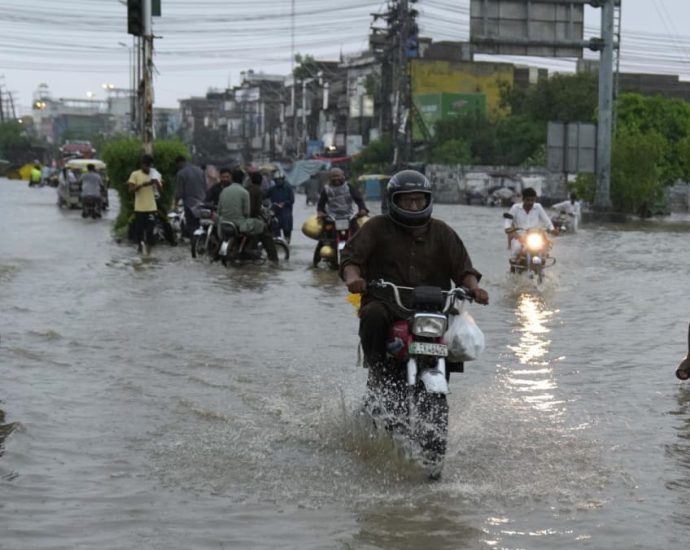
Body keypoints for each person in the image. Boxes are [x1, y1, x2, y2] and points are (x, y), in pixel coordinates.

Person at [340, 170, 489, 378]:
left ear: (427, 200)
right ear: (393, 201)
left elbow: (464, 269)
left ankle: (442, 371)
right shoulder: (376, 227)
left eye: (418, 200)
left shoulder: (442, 231)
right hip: (388, 303)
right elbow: (351, 260)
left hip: (433, 308)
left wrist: (474, 288)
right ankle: (377, 368)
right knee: (372, 313)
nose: (413, 206)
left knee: (453, 333)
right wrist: (353, 279)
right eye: (406, 201)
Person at [217, 168, 276, 261]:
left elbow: (219, 210)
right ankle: (249, 250)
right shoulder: (244, 192)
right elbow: (247, 213)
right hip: (238, 224)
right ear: (243, 179)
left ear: (232, 178)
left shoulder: (224, 191)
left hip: (224, 223)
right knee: (261, 226)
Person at [504, 187, 556, 260]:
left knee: (545, 248)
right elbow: (508, 222)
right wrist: (508, 228)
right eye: (528, 200)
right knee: (517, 248)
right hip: (520, 236)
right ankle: (514, 265)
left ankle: (541, 265)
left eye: (532, 200)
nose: (530, 203)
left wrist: (552, 229)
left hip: (535, 235)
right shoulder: (515, 208)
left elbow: (547, 220)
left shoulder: (538, 207)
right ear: (523, 199)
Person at [316, 167, 368, 233]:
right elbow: (321, 203)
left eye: (338, 176)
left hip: (349, 216)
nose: (336, 178)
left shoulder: (349, 187)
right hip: (331, 217)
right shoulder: (326, 189)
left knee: (358, 234)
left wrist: (362, 209)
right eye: (333, 176)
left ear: (343, 176)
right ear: (329, 178)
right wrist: (320, 211)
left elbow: (359, 199)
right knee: (325, 235)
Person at [128, 154, 161, 255]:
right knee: (139, 230)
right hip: (139, 209)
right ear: (142, 165)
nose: (147, 168)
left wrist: (156, 183)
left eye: (149, 166)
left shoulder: (155, 174)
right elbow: (131, 189)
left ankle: (149, 251)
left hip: (152, 208)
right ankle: (139, 247)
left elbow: (160, 190)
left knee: (151, 231)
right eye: (145, 166)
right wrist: (142, 185)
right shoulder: (135, 174)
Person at [247, 171, 279, 261]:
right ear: (261, 181)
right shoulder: (258, 190)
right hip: (253, 219)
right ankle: (274, 260)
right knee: (267, 237)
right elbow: (257, 208)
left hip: (245, 218)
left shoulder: (247, 188)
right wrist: (263, 217)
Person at [174, 156, 207, 237]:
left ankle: (194, 241)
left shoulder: (181, 173)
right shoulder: (200, 171)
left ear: (179, 162)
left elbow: (179, 192)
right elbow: (205, 186)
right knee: (201, 223)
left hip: (190, 203)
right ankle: (201, 240)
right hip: (202, 201)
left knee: (191, 225)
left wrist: (175, 202)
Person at [266, 173, 294, 242]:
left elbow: (292, 200)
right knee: (276, 233)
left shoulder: (288, 188)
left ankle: (287, 245)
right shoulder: (272, 189)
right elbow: (264, 195)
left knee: (287, 233)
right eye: (277, 180)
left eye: (280, 180)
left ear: (283, 179)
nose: (278, 181)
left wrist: (284, 203)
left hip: (286, 214)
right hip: (276, 214)